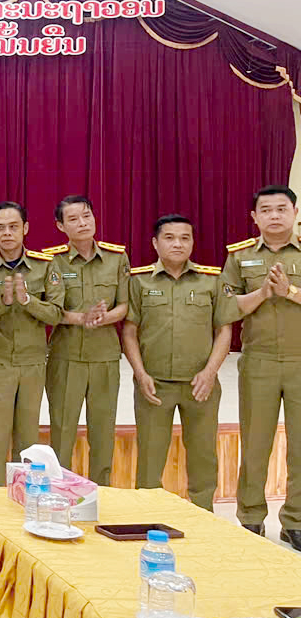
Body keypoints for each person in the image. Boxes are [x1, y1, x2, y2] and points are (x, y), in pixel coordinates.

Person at [122, 214, 232, 511]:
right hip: (154, 384)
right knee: (150, 457)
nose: (178, 244)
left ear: (193, 243)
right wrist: (140, 374)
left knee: (203, 456)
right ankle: (149, 515)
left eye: (185, 238)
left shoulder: (212, 280)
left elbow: (224, 330)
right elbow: (129, 332)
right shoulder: (139, 281)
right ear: (155, 243)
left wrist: (210, 373)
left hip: (200, 384)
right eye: (169, 238)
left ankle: (203, 515)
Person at [220, 185, 301, 548]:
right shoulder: (239, 257)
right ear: (254, 217)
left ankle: (295, 520)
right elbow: (227, 306)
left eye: (282, 209)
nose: (274, 216)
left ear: (295, 212)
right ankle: (251, 517)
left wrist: (290, 292)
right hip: (259, 362)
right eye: (266, 210)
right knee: (255, 444)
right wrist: (264, 293)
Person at [0, 202, 64, 486]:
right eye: (0, 228)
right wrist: (3, 301)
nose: (7, 233)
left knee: (28, 439)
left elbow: (56, 314)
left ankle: (26, 497)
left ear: (25, 228)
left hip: (33, 363)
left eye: (13, 227)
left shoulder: (45, 266)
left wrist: (27, 300)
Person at [43, 195, 129, 486]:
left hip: (105, 355)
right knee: (63, 430)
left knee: (103, 431)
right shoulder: (53, 260)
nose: (82, 223)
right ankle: (59, 492)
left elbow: (124, 305)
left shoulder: (117, 258)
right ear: (60, 226)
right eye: (73, 219)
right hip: (66, 357)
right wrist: (83, 317)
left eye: (87, 216)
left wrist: (103, 318)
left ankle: (100, 492)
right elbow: (52, 310)